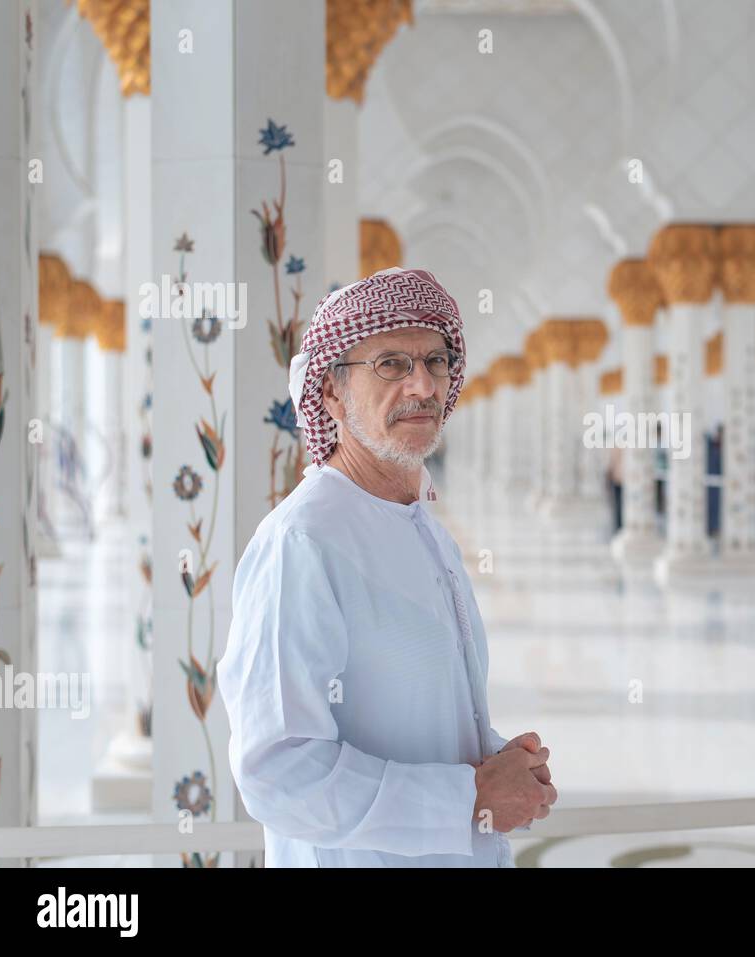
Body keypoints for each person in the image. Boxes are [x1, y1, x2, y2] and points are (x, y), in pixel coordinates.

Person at [217, 267, 556, 868]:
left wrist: (503, 762)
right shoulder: (304, 542)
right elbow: (278, 771)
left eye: (435, 361)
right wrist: (471, 798)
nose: (422, 384)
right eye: (391, 364)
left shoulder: (424, 529)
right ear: (331, 393)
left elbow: (417, 717)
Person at [706, 423, 723, 538]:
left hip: (718, 483)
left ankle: (716, 529)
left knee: (717, 507)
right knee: (710, 506)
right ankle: (710, 529)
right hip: (710, 481)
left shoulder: (723, 448)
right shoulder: (711, 445)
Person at [606, 443, 624, 534]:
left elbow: (611, 464)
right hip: (620, 478)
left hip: (618, 478)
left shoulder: (616, 447)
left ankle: (619, 527)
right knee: (619, 504)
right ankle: (619, 527)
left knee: (618, 504)